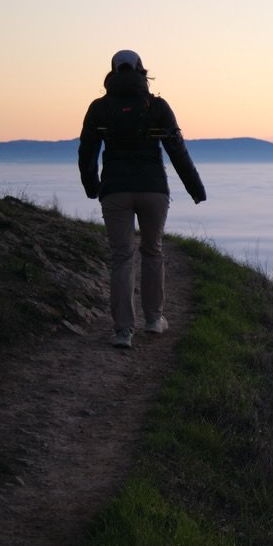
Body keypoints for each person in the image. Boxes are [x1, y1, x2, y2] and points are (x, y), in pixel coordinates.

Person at [79, 49, 206, 348]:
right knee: (152, 251)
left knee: (122, 257)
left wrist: (92, 187)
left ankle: (123, 331)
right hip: (153, 190)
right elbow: (177, 150)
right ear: (141, 70)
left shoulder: (99, 108)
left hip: (115, 191)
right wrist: (195, 189)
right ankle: (153, 320)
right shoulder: (157, 106)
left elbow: (87, 152)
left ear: (113, 71)